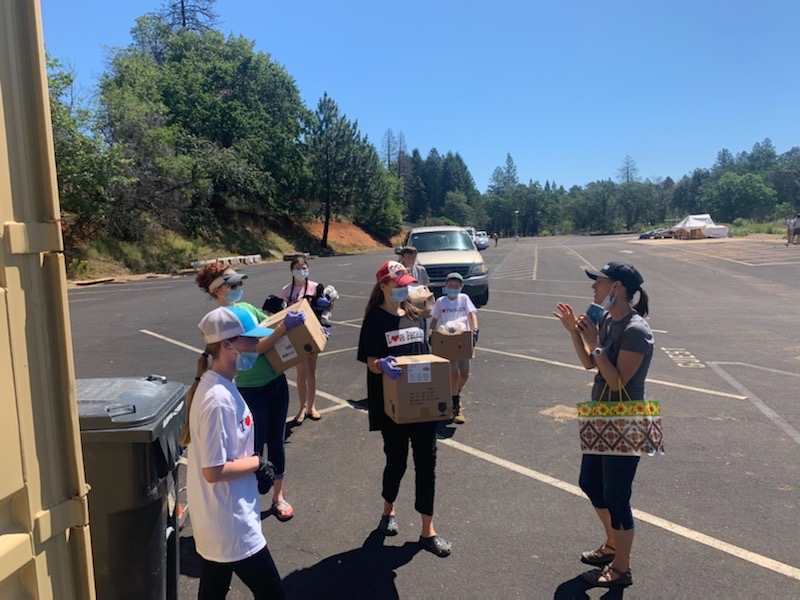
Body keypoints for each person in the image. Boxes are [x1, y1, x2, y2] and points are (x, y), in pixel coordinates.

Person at [553, 261, 654, 589]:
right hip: (602, 415)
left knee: (617, 495)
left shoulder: (636, 331)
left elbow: (617, 382)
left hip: (628, 418)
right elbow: (588, 363)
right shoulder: (608, 319)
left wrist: (595, 341)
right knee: (590, 483)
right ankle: (613, 544)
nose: (593, 288)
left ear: (618, 288)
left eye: (598, 282)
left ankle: (621, 568)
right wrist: (574, 332)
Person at [181, 305, 286, 598]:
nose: (256, 345)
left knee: (213, 590)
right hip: (231, 523)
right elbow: (213, 471)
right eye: (250, 340)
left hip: (220, 519)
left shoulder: (222, 384)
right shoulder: (217, 399)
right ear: (228, 345)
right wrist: (256, 463)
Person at [356, 260, 452, 558]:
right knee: (396, 462)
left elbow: (423, 350)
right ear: (384, 286)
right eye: (399, 286)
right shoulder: (375, 318)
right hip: (394, 408)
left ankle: (428, 530)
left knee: (427, 464)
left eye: (406, 285)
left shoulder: (412, 312)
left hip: (421, 403)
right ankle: (388, 510)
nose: (404, 289)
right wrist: (381, 365)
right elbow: (370, 361)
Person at [197, 262, 303, 522]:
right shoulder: (220, 323)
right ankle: (251, 497)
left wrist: (305, 329)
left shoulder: (245, 309)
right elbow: (257, 346)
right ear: (217, 290)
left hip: (275, 381)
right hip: (251, 389)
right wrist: (283, 328)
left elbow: (267, 323)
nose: (238, 288)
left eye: (240, 284)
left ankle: (278, 496)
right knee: (252, 448)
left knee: (276, 441)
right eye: (232, 285)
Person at [281, 257, 332, 423]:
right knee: (300, 372)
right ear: (291, 270)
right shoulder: (287, 290)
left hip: (312, 333)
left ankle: (312, 406)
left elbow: (326, 308)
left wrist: (330, 303)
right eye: (297, 268)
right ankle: (301, 408)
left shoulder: (315, 287)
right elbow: (282, 313)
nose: (301, 271)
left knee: (311, 370)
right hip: (295, 334)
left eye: (304, 268)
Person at [429, 273, 478, 424]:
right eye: (450, 286)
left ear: (461, 287)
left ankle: (454, 393)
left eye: (456, 286)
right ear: (445, 286)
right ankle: (456, 405)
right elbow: (435, 319)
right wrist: (431, 334)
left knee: (464, 373)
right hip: (447, 340)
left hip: (462, 340)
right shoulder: (440, 302)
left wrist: (475, 330)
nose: (453, 288)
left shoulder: (464, 299)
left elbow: (472, 315)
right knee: (453, 373)